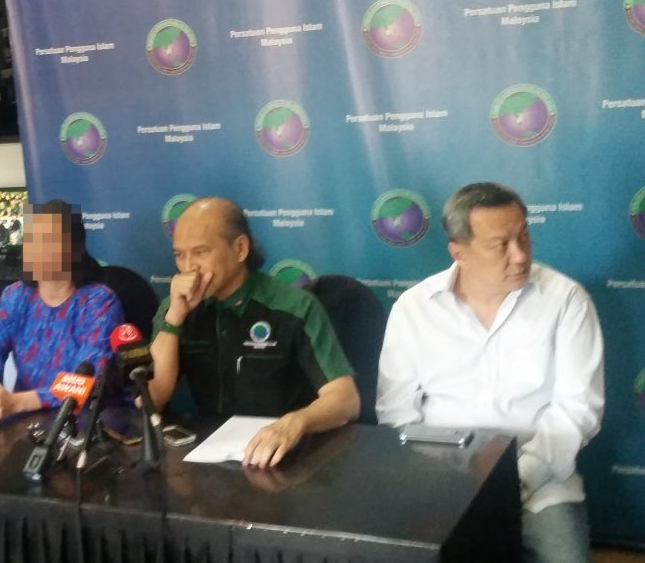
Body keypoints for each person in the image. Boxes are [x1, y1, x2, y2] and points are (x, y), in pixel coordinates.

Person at [376, 182, 604, 563]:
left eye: (524, 236)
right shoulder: (414, 308)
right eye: (501, 244)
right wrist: (439, 481)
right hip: (439, 480)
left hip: (539, 481)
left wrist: (517, 479)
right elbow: (396, 413)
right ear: (459, 253)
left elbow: (578, 411)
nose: (520, 255)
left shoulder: (566, 301)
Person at [148, 197, 360, 468]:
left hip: (283, 460)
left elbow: (345, 400)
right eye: (179, 255)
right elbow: (152, 399)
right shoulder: (175, 308)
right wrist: (174, 318)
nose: (189, 267)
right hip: (208, 460)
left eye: (200, 252)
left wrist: (297, 422)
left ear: (240, 249)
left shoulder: (294, 307)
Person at [0, 200, 123, 427]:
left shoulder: (100, 302)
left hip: (85, 422)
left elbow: (87, 379)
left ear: (75, 250)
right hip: (26, 422)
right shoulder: (15, 296)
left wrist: (17, 402)